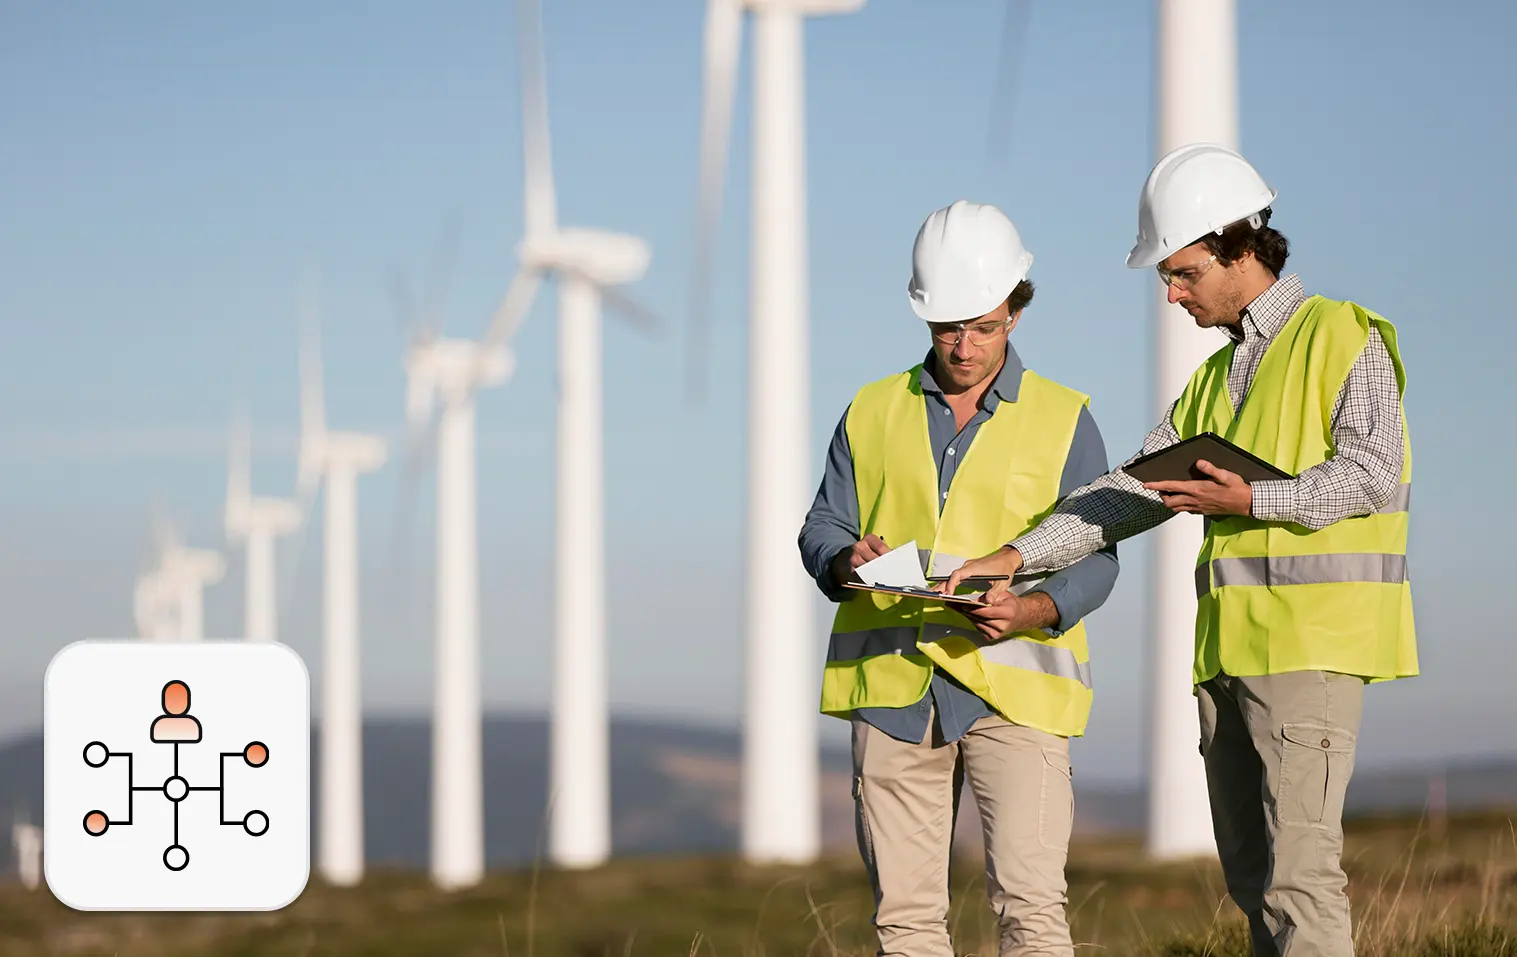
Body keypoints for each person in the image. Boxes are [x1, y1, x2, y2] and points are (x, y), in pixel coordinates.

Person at [943, 145, 1416, 957]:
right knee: (1253, 877)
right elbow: (1126, 493)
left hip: (1313, 650)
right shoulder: (1210, 383)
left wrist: (1251, 498)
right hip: (1227, 658)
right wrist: (1015, 556)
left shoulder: (1341, 335)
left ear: (1237, 245)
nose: (1169, 293)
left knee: (1301, 877)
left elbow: (1375, 474)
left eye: (1182, 272)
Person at [799, 200, 1119, 957]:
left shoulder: (1063, 417)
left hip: (1016, 691)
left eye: (983, 326)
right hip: (892, 691)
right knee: (904, 922)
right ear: (922, 315)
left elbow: (1098, 555)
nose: (965, 345)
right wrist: (845, 562)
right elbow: (822, 527)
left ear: (1015, 308)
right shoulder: (870, 411)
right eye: (948, 328)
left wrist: (1035, 607)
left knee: (1030, 909)